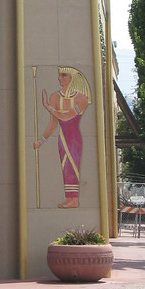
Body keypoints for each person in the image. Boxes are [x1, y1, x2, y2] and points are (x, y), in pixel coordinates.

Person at [33, 66, 91, 208]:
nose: (60, 78)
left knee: (73, 166)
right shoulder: (55, 97)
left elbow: (66, 117)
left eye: (64, 75)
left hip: (74, 139)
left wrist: (48, 107)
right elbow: (53, 124)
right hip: (62, 138)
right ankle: (69, 198)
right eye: (60, 75)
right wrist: (41, 140)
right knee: (65, 167)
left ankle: (74, 200)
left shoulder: (81, 98)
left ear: (72, 78)